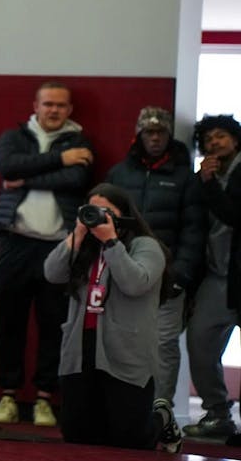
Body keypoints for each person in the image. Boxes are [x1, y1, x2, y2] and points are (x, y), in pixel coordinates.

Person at [44, 183, 182, 452]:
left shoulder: (146, 245)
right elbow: (51, 273)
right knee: (76, 434)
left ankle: (161, 416)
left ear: (123, 215)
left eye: (106, 211)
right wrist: (77, 235)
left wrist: (111, 242)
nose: (98, 215)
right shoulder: (83, 245)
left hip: (126, 349)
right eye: (92, 209)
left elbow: (135, 284)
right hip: (81, 345)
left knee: (130, 440)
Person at [0, 81, 93, 427]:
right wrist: (59, 160)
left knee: (54, 324)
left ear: (70, 110)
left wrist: (26, 177)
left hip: (59, 246)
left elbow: (77, 181)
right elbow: (7, 166)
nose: (53, 110)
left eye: (61, 106)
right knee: (9, 324)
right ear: (35, 105)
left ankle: (45, 399)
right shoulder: (13, 137)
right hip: (15, 242)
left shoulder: (80, 141)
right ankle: (8, 395)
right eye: (48, 104)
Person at [104, 106, 205, 416]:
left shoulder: (184, 177)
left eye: (161, 132)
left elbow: (194, 229)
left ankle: (160, 411)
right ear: (140, 135)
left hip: (169, 276)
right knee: (122, 342)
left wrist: (182, 274)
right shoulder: (120, 174)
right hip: (125, 272)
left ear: (169, 135)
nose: (156, 138)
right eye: (150, 132)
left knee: (163, 345)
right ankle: (124, 409)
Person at [184, 114, 241, 440]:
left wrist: (206, 184)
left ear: (235, 138)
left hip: (239, 276)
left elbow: (234, 214)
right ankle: (217, 414)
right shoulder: (206, 176)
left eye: (220, 136)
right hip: (216, 277)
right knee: (200, 341)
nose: (213, 143)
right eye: (207, 140)